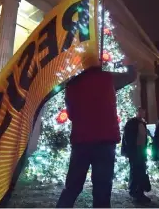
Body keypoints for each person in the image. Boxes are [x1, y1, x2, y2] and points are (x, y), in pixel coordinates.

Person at [56, 65, 136, 208]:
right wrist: (131, 65)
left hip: (82, 142)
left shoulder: (73, 84)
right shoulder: (108, 78)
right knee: (102, 190)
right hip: (105, 142)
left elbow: (72, 115)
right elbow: (130, 77)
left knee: (72, 187)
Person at [121, 107, 151, 203]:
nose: (142, 114)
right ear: (137, 113)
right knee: (136, 171)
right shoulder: (132, 123)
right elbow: (127, 138)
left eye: (143, 112)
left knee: (140, 170)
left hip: (141, 151)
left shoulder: (142, 123)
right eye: (140, 112)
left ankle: (139, 191)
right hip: (135, 151)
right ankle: (135, 191)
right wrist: (131, 150)